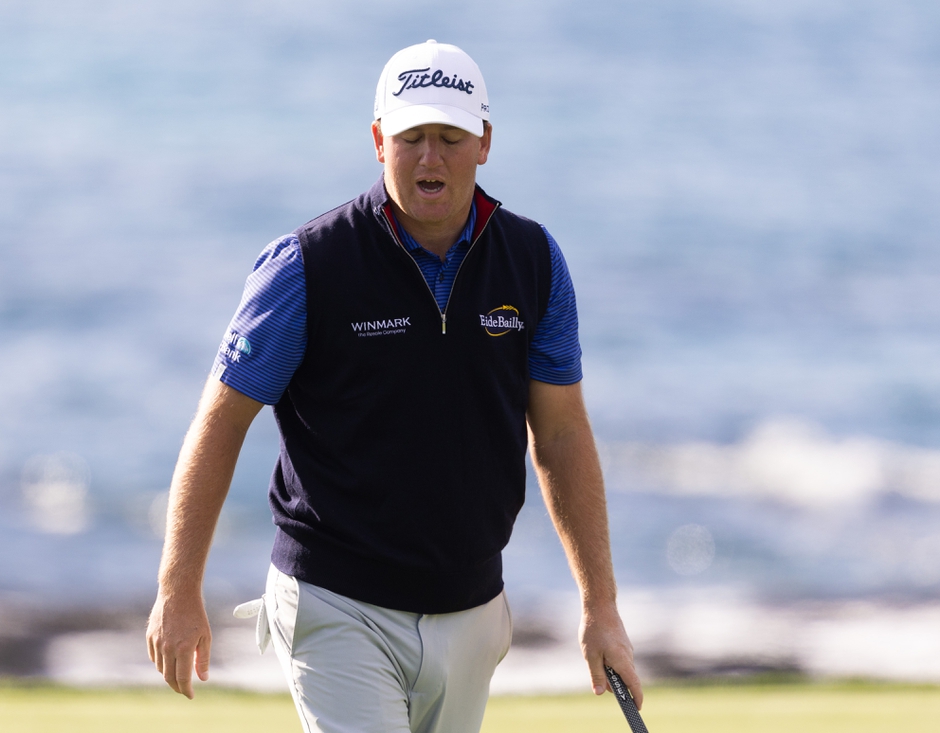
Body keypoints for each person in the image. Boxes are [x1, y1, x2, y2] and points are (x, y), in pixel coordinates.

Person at [146, 39, 642, 732]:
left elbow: (560, 433)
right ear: (380, 140)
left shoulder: (532, 261)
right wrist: (178, 587)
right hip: (335, 603)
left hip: (471, 607)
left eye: (449, 136)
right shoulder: (306, 267)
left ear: (485, 143)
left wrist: (600, 608)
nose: (430, 157)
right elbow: (222, 420)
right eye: (411, 137)